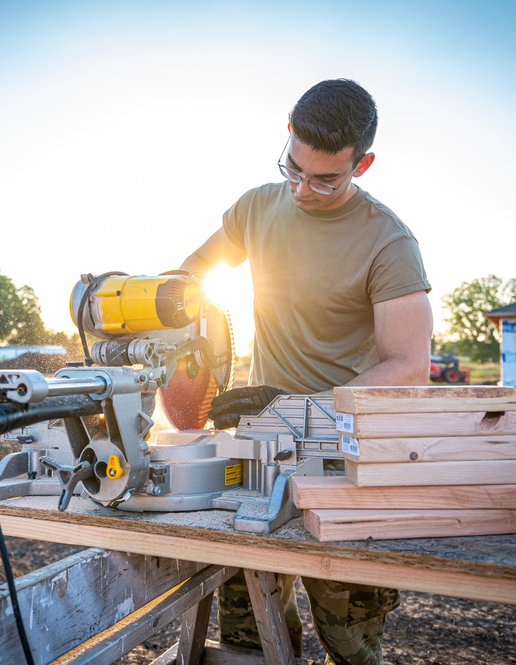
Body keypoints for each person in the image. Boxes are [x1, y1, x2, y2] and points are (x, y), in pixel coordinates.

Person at [178, 79, 433, 665]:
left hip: (345, 451)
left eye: (325, 180)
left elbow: (408, 366)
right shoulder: (256, 207)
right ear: (287, 137)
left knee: (349, 634)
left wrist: (295, 408)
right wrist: (150, 303)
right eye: (293, 169)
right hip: (258, 447)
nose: (302, 190)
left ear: (362, 164)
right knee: (248, 628)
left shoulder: (387, 241)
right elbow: (190, 275)